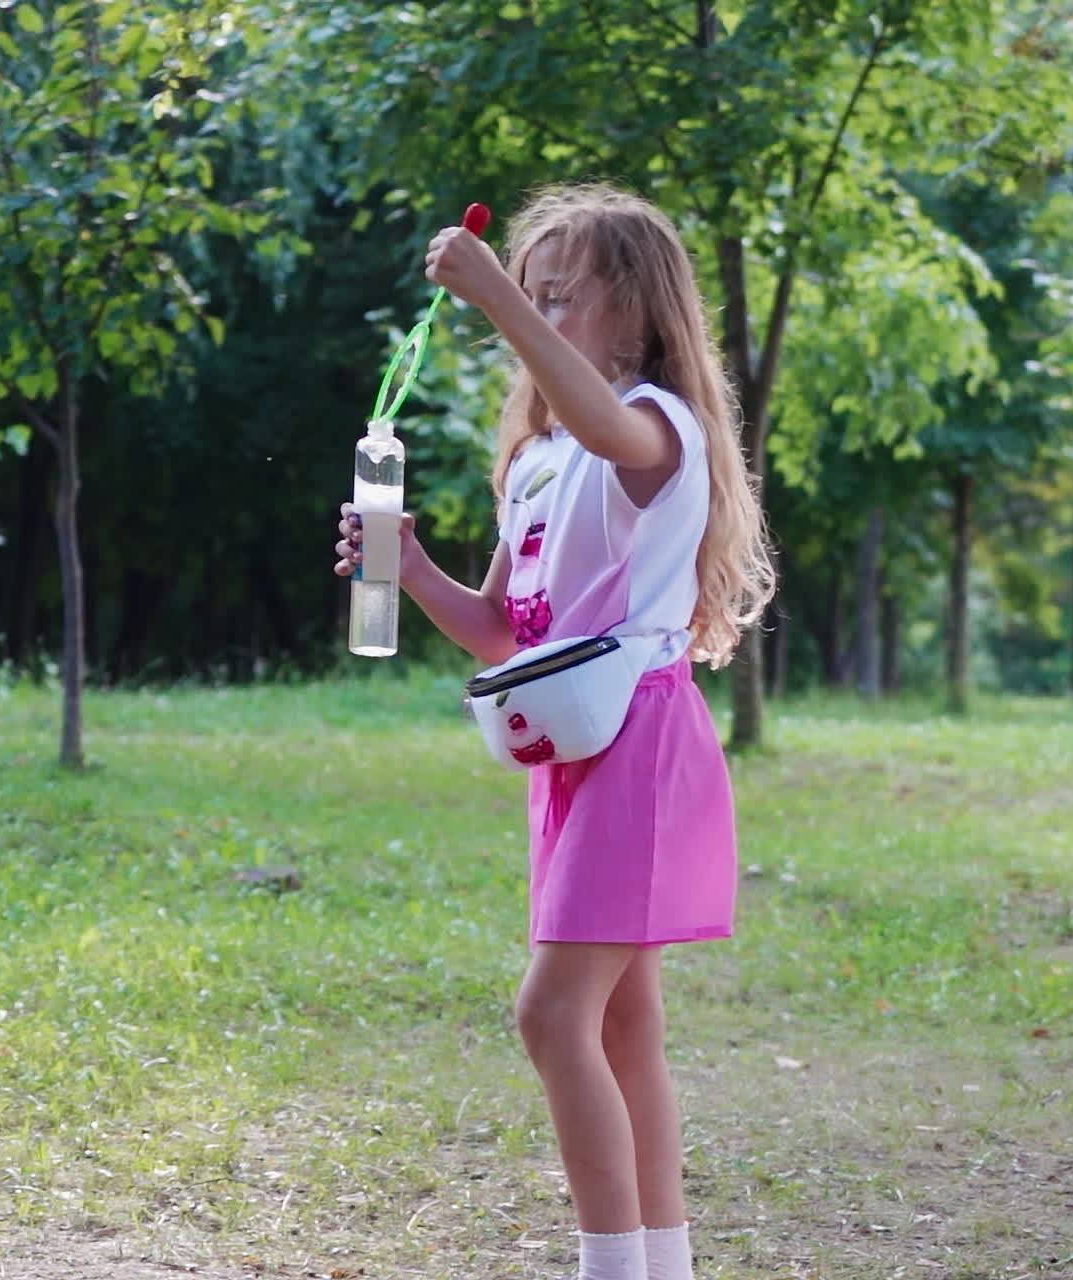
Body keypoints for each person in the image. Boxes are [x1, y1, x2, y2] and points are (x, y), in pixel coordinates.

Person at [334, 184, 776, 1280]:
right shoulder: (538, 464)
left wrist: (489, 297)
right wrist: (402, 560)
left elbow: (600, 416)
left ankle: (613, 1268)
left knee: (549, 1012)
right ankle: (657, 1264)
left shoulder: (653, 431)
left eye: (559, 298)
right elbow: (498, 630)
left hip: (641, 746)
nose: (534, 316)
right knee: (621, 1028)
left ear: (636, 311)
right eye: (528, 296)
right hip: (570, 756)